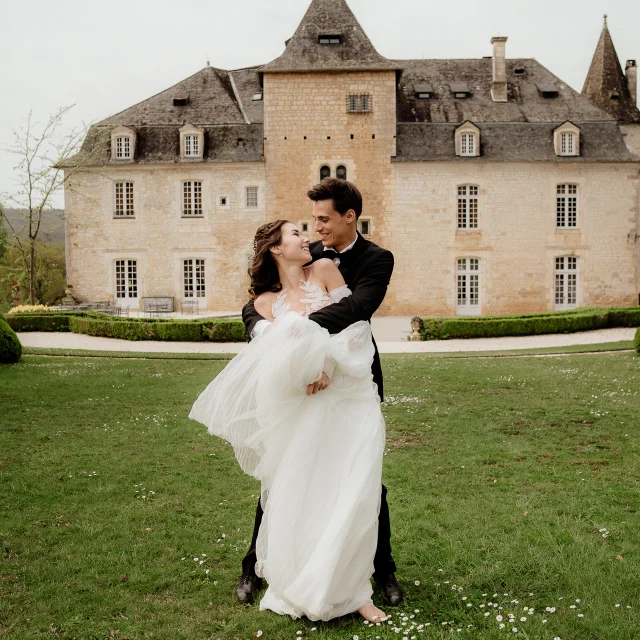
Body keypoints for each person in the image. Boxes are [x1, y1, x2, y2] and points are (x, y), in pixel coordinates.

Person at [190, 218, 389, 622]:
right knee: (306, 492)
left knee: (356, 489)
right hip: (304, 407)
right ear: (277, 250)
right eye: (296, 233)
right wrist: (303, 371)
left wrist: (328, 365)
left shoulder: (326, 270)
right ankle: (303, 582)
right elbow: (270, 361)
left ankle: (356, 592)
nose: (307, 236)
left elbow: (355, 326)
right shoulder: (263, 304)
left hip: (349, 395)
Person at [239, 179, 403, 608]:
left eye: (323, 220)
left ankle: (382, 571)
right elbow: (260, 302)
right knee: (286, 474)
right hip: (302, 388)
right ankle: (256, 564)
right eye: (310, 221)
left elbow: (356, 310)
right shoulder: (306, 253)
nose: (315, 229)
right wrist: (280, 336)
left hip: (350, 381)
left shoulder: (376, 259)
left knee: (365, 481)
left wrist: (311, 348)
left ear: (350, 217)